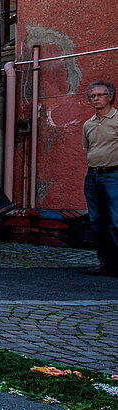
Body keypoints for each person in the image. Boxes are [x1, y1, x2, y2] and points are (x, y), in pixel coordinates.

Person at [82, 80, 118, 277]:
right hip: (93, 176)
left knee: (116, 221)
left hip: (115, 175)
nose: (96, 98)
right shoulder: (89, 124)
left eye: (100, 95)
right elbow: (89, 149)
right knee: (97, 221)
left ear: (110, 97)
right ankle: (105, 263)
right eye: (92, 96)